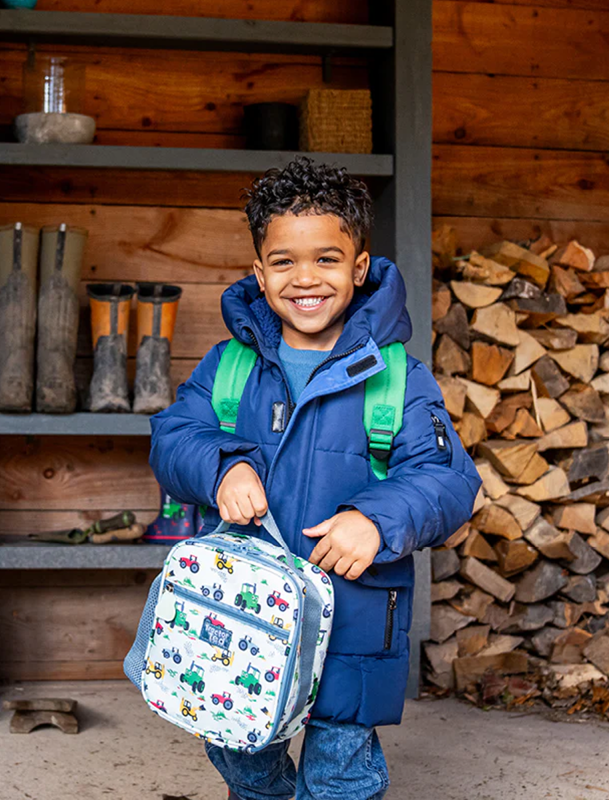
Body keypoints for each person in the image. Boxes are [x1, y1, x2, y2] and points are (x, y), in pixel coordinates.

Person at [148, 157, 482, 800]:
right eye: (284, 262)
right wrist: (223, 465)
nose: (306, 279)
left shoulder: (396, 377)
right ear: (259, 271)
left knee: (339, 772)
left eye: (327, 260)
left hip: (352, 622)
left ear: (359, 268)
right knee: (242, 755)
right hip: (240, 618)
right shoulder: (230, 366)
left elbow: (446, 477)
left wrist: (376, 520)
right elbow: (173, 437)